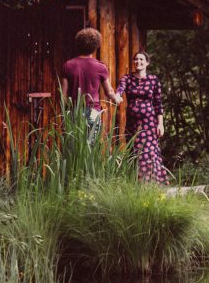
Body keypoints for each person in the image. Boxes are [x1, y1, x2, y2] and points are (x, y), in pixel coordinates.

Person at [113, 50, 167, 184]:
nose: (138, 62)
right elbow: (120, 88)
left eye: (141, 59)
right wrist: (118, 96)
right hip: (133, 123)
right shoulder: (127, 78)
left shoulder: (153, 80)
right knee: (135, 150)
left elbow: (158, 103)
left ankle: (152, 182)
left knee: (149, 150)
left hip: (149, 122)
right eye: (136, 59)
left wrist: (160, 124)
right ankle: (136, 183)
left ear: (147, 63)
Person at [60, 28, 118, 145]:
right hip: (93, 112)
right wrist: (116, 98)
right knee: (91, 149)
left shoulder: (68, 65)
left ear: (78, 44)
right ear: (96, 46)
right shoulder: (100, 67)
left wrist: (64, 114)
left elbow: (63, 95)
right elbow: (109, 92)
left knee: (73, 148)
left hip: (74, 112)